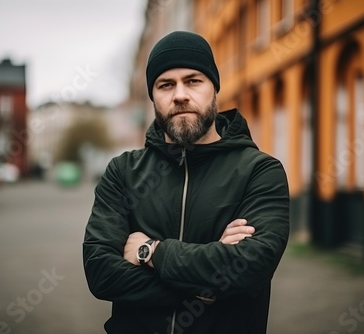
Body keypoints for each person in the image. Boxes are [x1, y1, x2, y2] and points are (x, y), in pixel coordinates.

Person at [83, 30, 289, 334]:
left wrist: (151, 252)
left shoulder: (259, 172)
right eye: (165, 84)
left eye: (193, 80)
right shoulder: (123, 172)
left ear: (214, 88)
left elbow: (250, 268)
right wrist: (209, 284)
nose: (180, 94)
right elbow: (102, 274)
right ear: (153, 96)